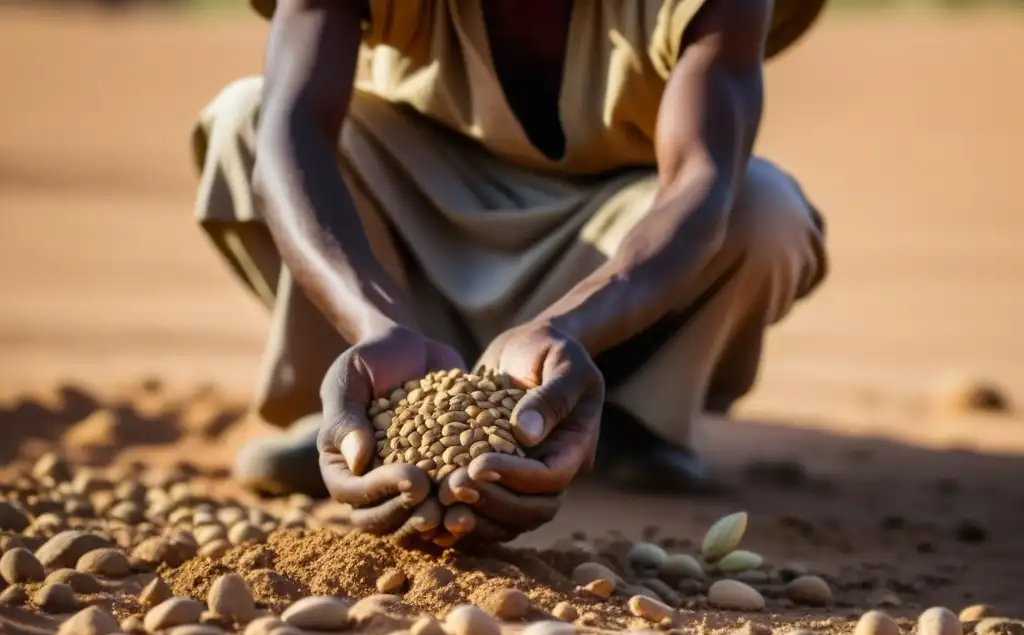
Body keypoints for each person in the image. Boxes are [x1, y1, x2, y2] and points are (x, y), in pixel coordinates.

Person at [191, 0, 829, 545]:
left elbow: (701, 182)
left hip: (613, 238)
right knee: (243, 120)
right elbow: (289, 131)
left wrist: (566, 325)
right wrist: (374, 323)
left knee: (764, 210)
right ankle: (377, 407)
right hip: (411, 210)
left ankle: (627, 418)